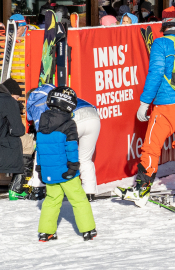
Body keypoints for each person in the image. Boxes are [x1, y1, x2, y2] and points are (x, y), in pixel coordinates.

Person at [121, 18, 175, 205]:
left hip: (167, 107)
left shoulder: (161, 43)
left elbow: (155, 72)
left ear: (165, 29)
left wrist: (145, 102)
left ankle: (141, 191)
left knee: (151, 147)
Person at [35, 86, 96, 242]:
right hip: (66, 170)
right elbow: (71, 147)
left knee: (51, 200)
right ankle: (88, 229)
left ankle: (45, 232)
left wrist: (40, 168)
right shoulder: (68, 124)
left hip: (49, 171)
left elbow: (40, 148)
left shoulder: (42, 124)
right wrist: (74, 166)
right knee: (78, 199)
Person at [25, 84, 101, 201]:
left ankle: (38, 188)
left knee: (43, 149)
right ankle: (89, 192)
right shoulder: (56, 92)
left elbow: (42, 130)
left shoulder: (35, 101)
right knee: (85, 158)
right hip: (93, 115)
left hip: (74, 118)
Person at [0, 78, 26, 200]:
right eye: (16, 97)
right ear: (11, 94)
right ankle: (16, 189)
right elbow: (18, 130)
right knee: (18, 143)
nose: (16, 100)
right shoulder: (8, 101)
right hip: (3, 143)